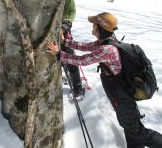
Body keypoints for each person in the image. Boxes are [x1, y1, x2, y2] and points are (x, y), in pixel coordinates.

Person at [47, 12, 162, 148]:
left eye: (94, 24)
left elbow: (83, 60)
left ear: (101, 27)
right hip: (120, 96)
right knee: (130, 127)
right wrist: (66, 42)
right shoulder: (107, 41)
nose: (92, 26)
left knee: (136, 131)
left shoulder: (107, 49)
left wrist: (59, 53)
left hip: (123, 98)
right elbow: (86, 46)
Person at [60, 0, 84, 100]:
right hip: (48, 32)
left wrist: (68, 22)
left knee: (70, 60)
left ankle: (78, 88)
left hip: (64, 31)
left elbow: (72, 10)